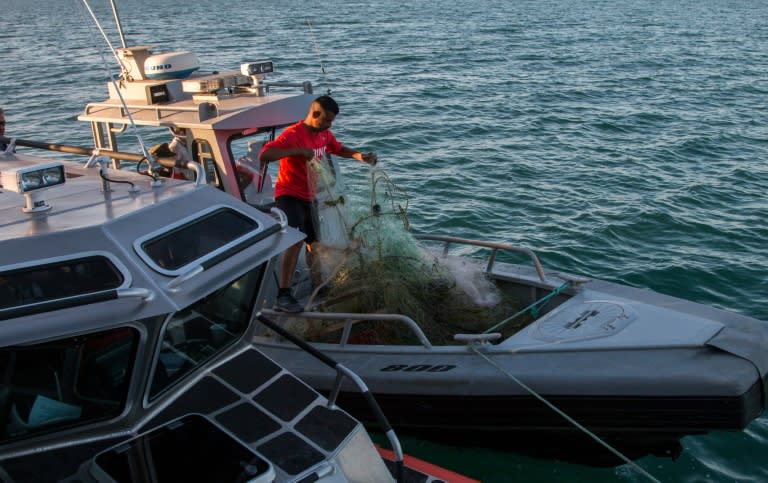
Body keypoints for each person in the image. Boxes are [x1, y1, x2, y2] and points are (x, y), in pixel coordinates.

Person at [259, 95, 378, 313]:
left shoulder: (324, 135)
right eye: (327, 119)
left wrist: (360, 156)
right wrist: (297, 151)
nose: (329, 125)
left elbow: (338, 148)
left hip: (309, 197)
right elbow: (266, 155)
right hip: (289, 195)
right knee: (296, 241)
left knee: (314, 243)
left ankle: (318, 285)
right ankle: (283, 296)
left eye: (332, 121)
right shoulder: (293, 134)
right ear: (315, 114)